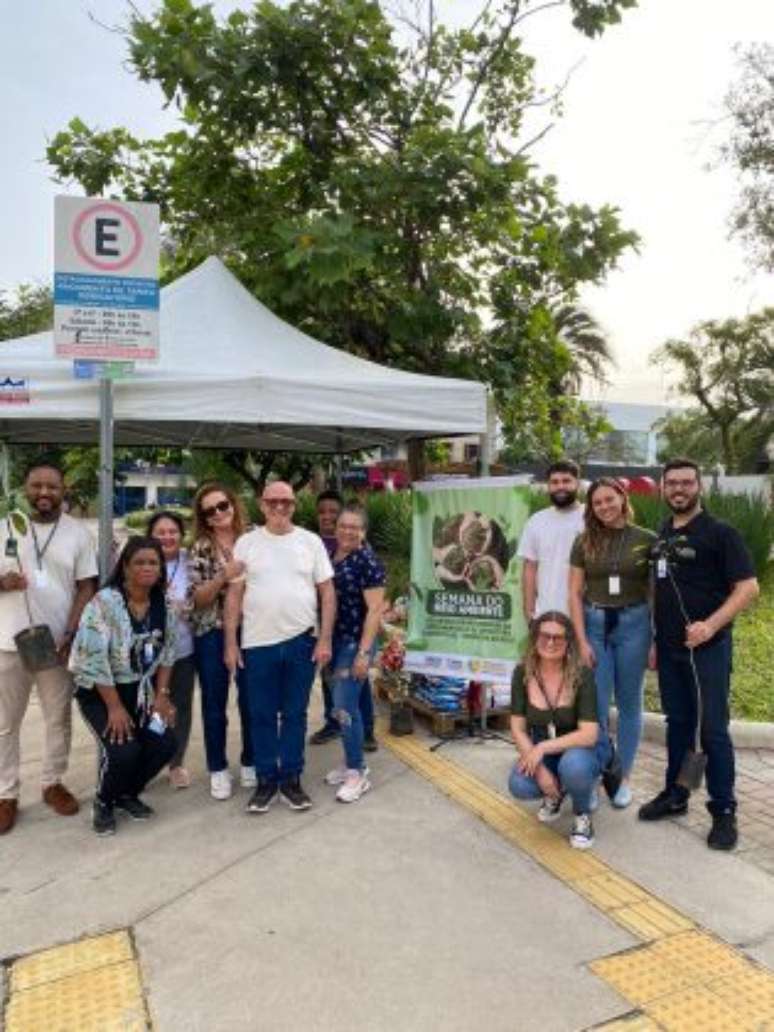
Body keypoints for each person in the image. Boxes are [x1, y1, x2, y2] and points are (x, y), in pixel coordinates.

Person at [638, 459, 759, 851]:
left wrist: (710, 624)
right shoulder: (661, 535)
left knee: (712, 731)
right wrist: (656, 639)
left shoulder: (721, 533)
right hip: (671, 651)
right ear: (662, 488)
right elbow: (658, 591)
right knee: (678, 724)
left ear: (699, 486)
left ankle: (723, 811)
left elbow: (748, 588)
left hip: (709, 650)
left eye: (687, 483)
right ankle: (676, 795)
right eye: (672, 483)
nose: (679, 489)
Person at [224, 481, 335, 814]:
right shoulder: (247, 543)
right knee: (259, 715)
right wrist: (230, 642)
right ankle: (265, 781)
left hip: (302, 640)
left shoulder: (310, 542)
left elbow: (327, 593)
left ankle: (291, 778)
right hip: (257, 644)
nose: (279, 507)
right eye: (273, 501)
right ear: (262, 504)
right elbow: (234, 595)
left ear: (294, 505)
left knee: (295, 714)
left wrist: (325, 638)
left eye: (286, 501)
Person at [0, 459, 97, 835]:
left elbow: (87, 586)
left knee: (58, 718)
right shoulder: (6, 526)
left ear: (63, 490)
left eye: (52, 487)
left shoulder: (77, 534)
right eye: (37, 486)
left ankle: (52, 782)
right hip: (7, 642)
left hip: (56, 645)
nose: (44, 493)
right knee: (5, 725)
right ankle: (6, 794)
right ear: (26, 488)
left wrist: (70, 634)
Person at [70, 537, 178, 836]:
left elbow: (168, 653)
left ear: (160, 568)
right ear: (125, 567)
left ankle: (127, 794)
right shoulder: (104, 603)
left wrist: (161, 696)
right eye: (139, 562)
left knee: (164, 742)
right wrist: (115, 707)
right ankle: (104, 802)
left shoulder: (165, 605)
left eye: (153, 562)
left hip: (141, 693)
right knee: (123, 752)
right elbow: (93, 660)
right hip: (101, 693)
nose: (147, 567)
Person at [568, 477, 655, 809]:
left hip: (635, 625)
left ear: (622, 497)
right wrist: (580, 639)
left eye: (609, 499)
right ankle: (594, 776)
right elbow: (574, 593)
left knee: (630, 703)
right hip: (594, 626)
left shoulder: (647, 540)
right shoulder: (584, 542)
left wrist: (655, 640)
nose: (604, 507)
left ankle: (622, 778)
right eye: (597, 502)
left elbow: (654, 594)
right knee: (597, 707)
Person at [507, 611, 610, 850]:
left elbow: (589, 734)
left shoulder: (582, 674)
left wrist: (540, 747)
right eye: (544, 636)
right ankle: (556, 791)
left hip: (584, 749)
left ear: (568, 643)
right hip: (549, 750)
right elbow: (518, 728)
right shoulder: (521, 673)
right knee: (519, 784)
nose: (551, 643)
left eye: (558, 638)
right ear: (534, 638)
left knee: (573, 766)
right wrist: (540, 770)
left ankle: (582, 814)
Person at [188, 482, 253, 801]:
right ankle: (218, 768)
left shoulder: (255, 538)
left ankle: (251, 761)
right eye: (209, 510)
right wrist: (223, 576)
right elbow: (197, 599)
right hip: (211, 632)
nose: (217, 514)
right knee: (214, 703)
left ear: (233, 504)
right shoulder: (200, 547)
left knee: (252, 699)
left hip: (254, 630)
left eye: (222, 506)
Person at [309, 489, 379, 752]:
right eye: (322, 512)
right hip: (329, 631)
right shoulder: (315, 545)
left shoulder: (363, 553)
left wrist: (364, 649)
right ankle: (335, 724)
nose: (327, 517)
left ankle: (365, 736)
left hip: (355, 636)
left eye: (333, 512)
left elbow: (374, 603)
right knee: (334, 685)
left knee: (352, 689)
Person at [324, 503, 386, 803]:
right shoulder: (332, 556)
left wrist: (364, 653)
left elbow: (375, 609)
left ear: (363, 531)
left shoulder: (367, 561)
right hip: (335, 642)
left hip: (355, 643)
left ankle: (357, 772)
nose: (347, 531)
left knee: (344, 706)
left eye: (354, 527)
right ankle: (352, 759)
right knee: (354, 704)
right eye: (343, 525)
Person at [148, 510, 195, 789]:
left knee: (180, 707)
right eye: (160, 532)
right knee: (149, 709)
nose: (167, 537)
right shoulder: (141, 560)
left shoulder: (190, 562)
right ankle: (149, 761)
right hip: (148, 655)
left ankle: (176, 763)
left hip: (183, 650)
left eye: (172, 532)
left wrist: (185, 607)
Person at [517, 460, 585, 622]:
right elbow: (530, 568)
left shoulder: (590, 517)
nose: (560, 486)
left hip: (585, 614)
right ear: (548, 486)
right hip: (545, 612)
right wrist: (529, 609)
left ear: (578, 484)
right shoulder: (536, 520)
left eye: (566, 481)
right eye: (554, 482)